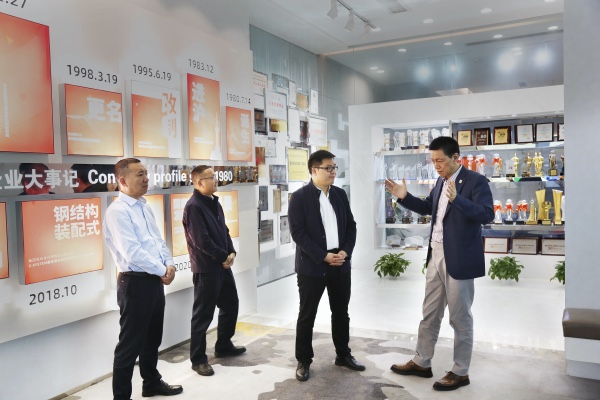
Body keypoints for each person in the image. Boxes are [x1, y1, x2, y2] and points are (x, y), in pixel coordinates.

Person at [385, 136, 493, 391]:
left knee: (460, 317)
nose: (436, 166)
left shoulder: (476, 181)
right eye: (433, 161)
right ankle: (422, 361)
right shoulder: (440, 181)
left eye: (440, 161)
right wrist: (404, 196)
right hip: (435, 254)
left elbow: (487, 214)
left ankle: (460, 371)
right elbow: (427, 207)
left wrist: (458, 200)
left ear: (456, 158)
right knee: (430, 313)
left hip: (460, 258)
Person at [103, 158, 183, 399]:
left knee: (152, 339)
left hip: (153, 281)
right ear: (123, 180)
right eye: (140, 174)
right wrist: (161, 270)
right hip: (135, 283)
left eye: (146, 173)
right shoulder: (118, 211)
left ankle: (151, 383)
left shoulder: (143, 206)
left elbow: (157, 240)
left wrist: (169, 263)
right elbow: (133, 253)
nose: (146, 178)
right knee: (129, 345)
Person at [288, 150, 364, 382]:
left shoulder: (339, 194)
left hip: (340, 262)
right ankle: (303, 360)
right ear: (314, 170)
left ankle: (343, 354)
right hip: (313, 265)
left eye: (334, 168)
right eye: (328, 168)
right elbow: (298, 234)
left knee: (341, 312)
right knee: (307, 314)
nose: (333, 172)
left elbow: (351, 226)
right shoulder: (299, 198)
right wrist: (323, 256)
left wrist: (345, 252)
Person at [183, 165, 245, 377]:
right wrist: (222, 257)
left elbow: (224, 231)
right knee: (203, 315)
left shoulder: (214, 202)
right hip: (206, 268)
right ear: (199, 182)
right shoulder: (193, 207)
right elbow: (201, 241)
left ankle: (224, 345)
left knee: (231, 304)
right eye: (211, 177)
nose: (216, 180)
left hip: (222, 265)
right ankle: (198, 359)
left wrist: (231, 252)